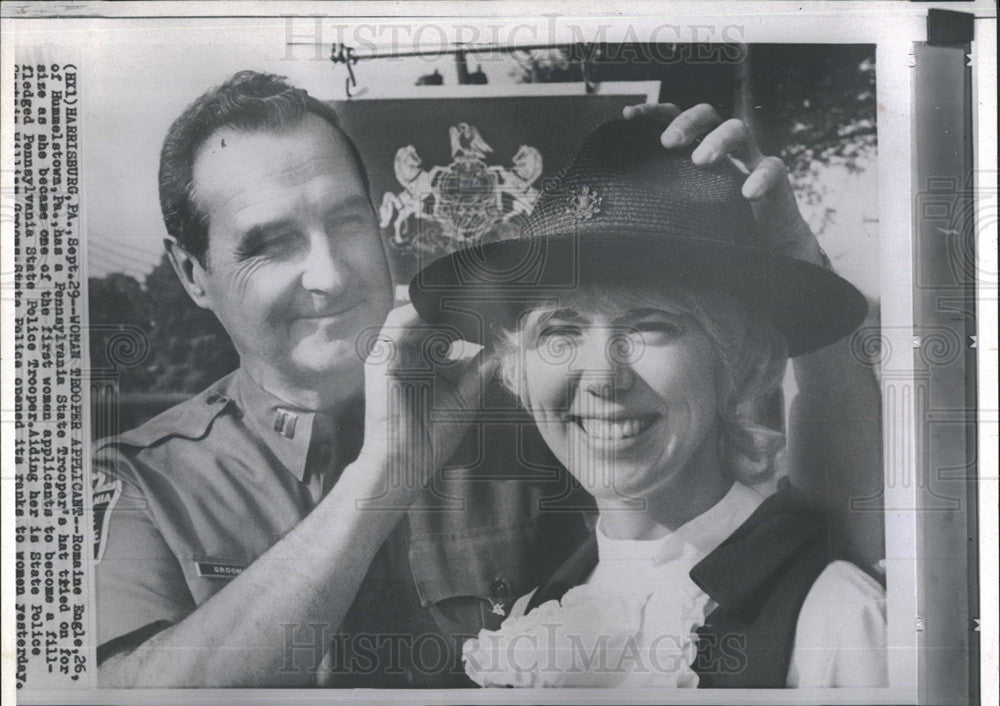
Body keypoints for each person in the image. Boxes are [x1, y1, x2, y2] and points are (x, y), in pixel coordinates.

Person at [92, 70, 881, 687]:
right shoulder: (138, 484)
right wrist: (382, 483)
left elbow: (823, 534)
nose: (328, 274)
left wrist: (789, 266)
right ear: (192, 274)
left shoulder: (526, 411)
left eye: (346, 221)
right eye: (271, 244)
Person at [410, 116, 887, 688]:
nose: (602, 377)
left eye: (650, 326)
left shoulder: (833, 618)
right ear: (514, 373)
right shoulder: (531, 622)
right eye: (559, 333)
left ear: (741, 364)